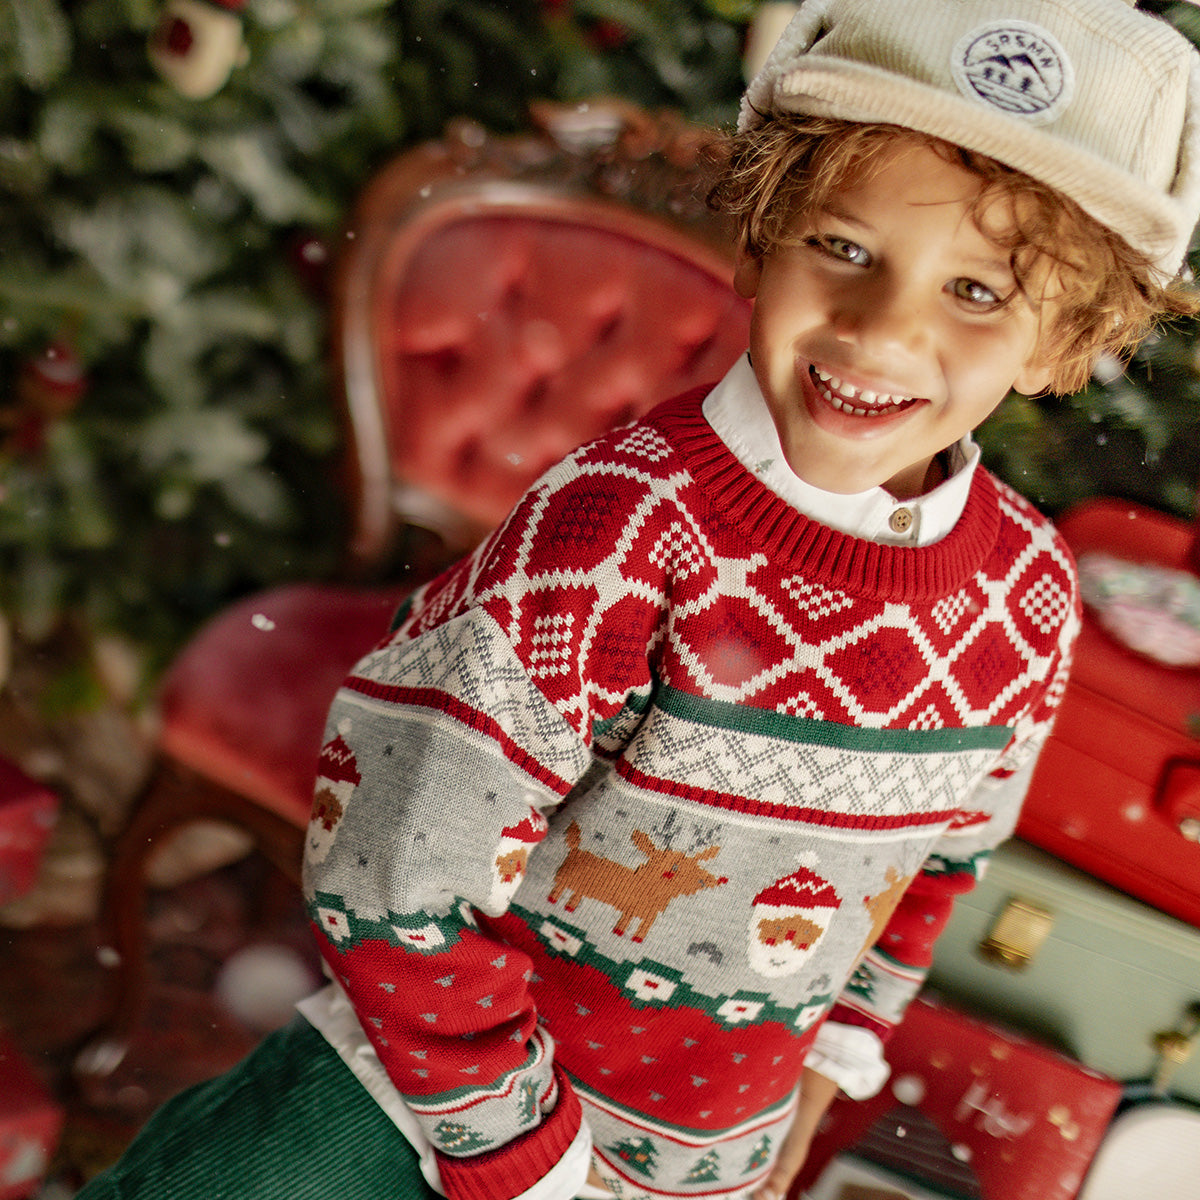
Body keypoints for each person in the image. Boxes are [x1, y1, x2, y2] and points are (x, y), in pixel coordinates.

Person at [78, 2, 1200, 1199]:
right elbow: (394, 855)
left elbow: (941, 865)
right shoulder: (624, 523)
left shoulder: (1026, 596)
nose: (885, 331)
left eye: (978, 293)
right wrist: (523, 1153)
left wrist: (832, 1054)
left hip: (692, 1166)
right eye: (847, 250)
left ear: (1066, 343)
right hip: (394, 1115)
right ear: (761, 248)